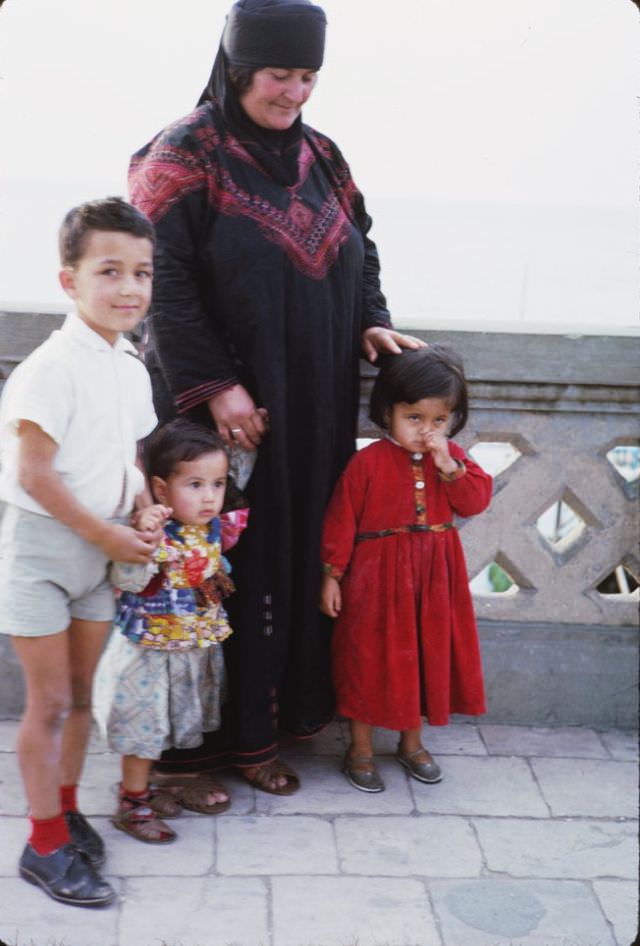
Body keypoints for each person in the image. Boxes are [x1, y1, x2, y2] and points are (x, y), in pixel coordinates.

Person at [128, 0, 424, 795]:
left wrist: (373, 323)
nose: (293, 92)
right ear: (235, 67)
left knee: (292, 562)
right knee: (215, 571)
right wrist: (217, 387)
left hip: (313, 406)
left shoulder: (324, 156)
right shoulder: (181, 153)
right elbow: (161, 280)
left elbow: (362, 249)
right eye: (278, 74)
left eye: (307, 76)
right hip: (213, 419)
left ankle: (266, 737)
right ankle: (190, 758)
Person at [0, 198, 159, 905]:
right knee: (51, 700)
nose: (130, 288)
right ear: (70, 281)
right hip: (42, 553)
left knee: (84, 696)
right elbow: (32, 475)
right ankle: (41, 844)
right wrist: (105, 534)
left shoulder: (130, 363)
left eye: (143, 273)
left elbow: (123, 455)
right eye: (110, 271)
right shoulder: (50, 366)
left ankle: (64, 810)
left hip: (101, 551)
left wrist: (143, 507)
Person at [320, 346, 493, 792]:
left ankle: (411, 743)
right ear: (388, 412)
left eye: (439, 421)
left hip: (435, 583)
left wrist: (449, 466)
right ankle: (359, 748)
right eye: (414, 418)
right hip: (375, 584)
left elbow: (475, 501)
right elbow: (341, 521)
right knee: (368, 661)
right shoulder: (368, 462)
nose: (427, 431)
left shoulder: (452, 459)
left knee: (422, 657)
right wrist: (332, 575)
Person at [93, 418, 248, 843]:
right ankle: (132, 801)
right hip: (147, 650)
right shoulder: (148, 536)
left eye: (217, 484)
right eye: (194, 485)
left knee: (172, 724)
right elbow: (125, 579)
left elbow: (218, 560)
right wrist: (146, 543)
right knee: (143, 728)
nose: (209, 497)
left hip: (190, 646)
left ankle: (162, 785)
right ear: (161, 489)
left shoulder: (210, 530)